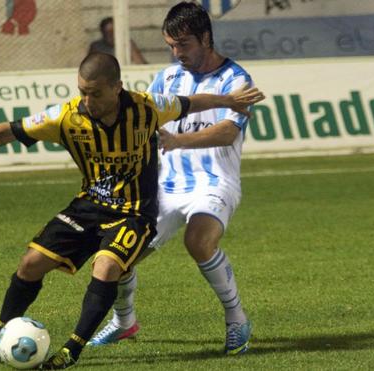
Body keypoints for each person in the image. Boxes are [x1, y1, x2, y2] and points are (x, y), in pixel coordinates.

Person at [0, 53, 263, 369]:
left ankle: (72, 349)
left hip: (134, 212)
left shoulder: (147, 107)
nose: (87, 101)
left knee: (108, 265)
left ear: (117, 87)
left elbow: (189, 104)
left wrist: (227, 100)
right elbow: (7, 131)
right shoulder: (67, 117)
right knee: (30, 262)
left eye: (95, 93)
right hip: (89, 206)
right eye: (82, 92)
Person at [89, 2, 256, 355]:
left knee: (199, 242)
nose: (176, 53)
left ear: (206, 38)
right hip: (163, 187)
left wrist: (177, 140)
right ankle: (124, 322)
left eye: (184, 45)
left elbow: (227, 132)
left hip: (214, 183)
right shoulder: (167, 77)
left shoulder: (236, 80)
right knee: (117, 254)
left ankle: (237, 319)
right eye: (171, 45)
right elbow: (147, 118)